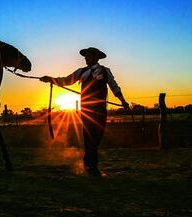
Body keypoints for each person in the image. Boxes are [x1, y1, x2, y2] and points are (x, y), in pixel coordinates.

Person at [40, 47, 129, 176]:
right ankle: (91, 166)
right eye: (86, 56)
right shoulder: (81, 72)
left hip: (100, 109)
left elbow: (114, 87)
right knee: (88, 137)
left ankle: (89, 163)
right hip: (87, 110)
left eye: (89, 56)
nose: (86, 58)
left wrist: (123, 101)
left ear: (96, 58)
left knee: (97, 136)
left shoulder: (105, 71)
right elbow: (66, 80)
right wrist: (50, 79)